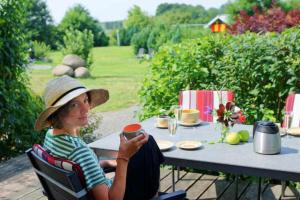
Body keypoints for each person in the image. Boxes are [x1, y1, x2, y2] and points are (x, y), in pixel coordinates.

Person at [35, 75, 164, 200]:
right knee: (148, 143)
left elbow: (83, 170)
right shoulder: (79, 151)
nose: (86, 108)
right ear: (58, 113)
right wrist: (123, 158)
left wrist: (103, 164)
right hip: (119, 194)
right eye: (74, 105)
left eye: (85, 100)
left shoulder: (51, 136)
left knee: (142, 146)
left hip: (94, 189)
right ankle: (154, 195)